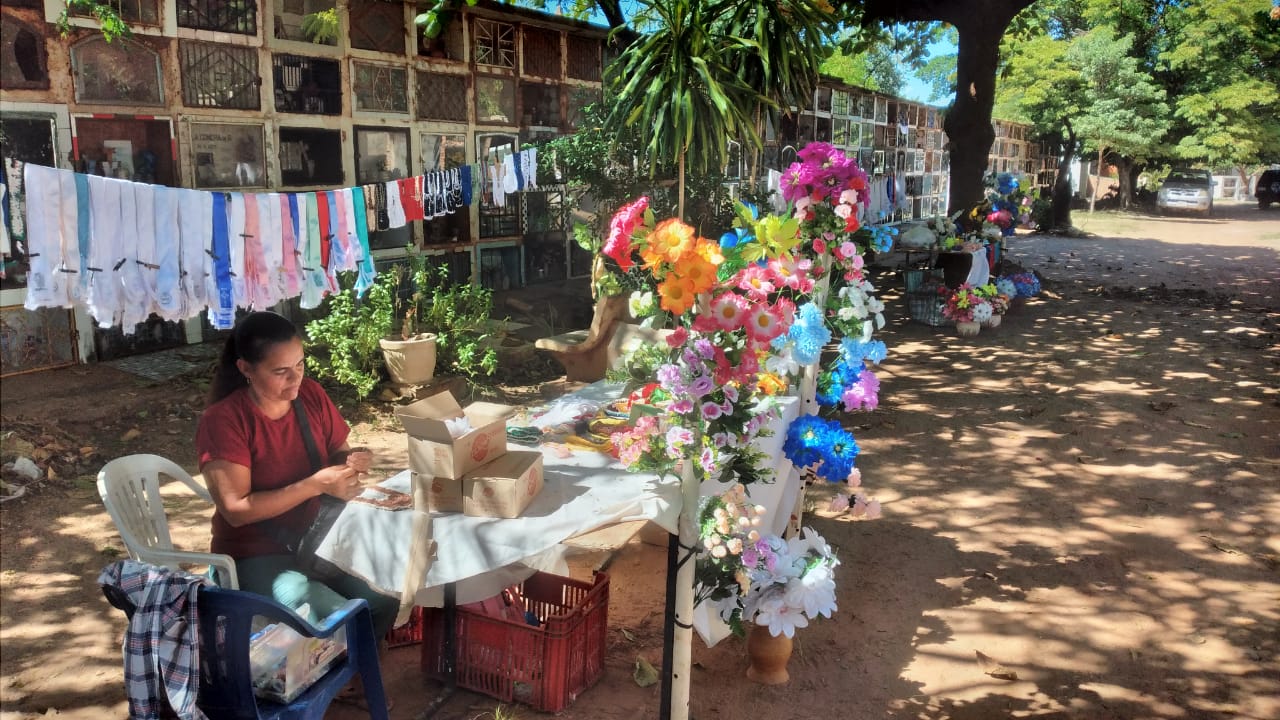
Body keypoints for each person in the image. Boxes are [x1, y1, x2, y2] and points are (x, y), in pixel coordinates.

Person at [195, 311, 398, 643]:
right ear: (245, 368)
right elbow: (236, 509)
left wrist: (351, 463)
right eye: (280, 372)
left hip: (317, 539)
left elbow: (337, 454)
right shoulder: (224, 421)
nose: (295, 379)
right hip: (255, 552)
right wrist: (314, 485)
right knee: (338, 617)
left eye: (300, 366)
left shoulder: (311, 396)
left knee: (383, 598)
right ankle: (323, 683)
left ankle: (352, 677)